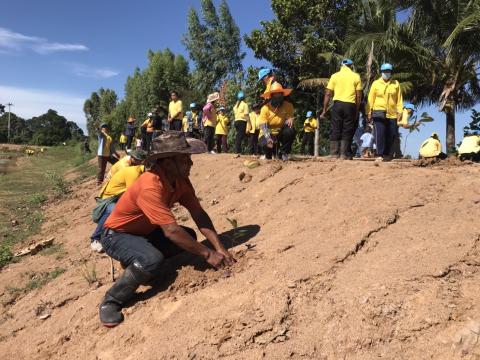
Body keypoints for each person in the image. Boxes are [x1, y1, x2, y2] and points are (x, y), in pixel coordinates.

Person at [98, 132, 236, 327]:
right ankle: (111, 300)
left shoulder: (181, 181)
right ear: (168, 163)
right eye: (184, 159)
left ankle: (137, 260)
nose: (191, 163)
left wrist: (219, 247)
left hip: (146, 232)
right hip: (116, 235)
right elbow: (170, 231)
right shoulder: (150, 185)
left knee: (188, 236)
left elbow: (199, 214)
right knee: (152, 260)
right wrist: (208, 254)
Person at [90, 163, 146, 252]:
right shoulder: (134, 173)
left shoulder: (141, 172)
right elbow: (133, 194)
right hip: (108, 199)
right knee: (114, 210)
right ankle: (95, 238)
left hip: (118, 197)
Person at [321, 59, 363, 159]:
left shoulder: (335, 76)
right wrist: (357, 110)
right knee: (347, 129)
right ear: (351, 66)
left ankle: (333, 154)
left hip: (338, 104)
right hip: (350, 105)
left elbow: (328, 93)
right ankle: (343, 154)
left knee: (335, 127)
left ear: (342, 66)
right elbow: (358, 96)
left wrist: (324, 109)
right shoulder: (356, 76)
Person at [366, 63, 404, 161]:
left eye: (388, 71)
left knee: (391, 134)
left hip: (392, 113)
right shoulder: (376, 83)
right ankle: (380, 154)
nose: (387, 73)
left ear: (391, 72)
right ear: (381, 72)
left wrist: (400, 112)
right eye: (385, 71)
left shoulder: (396, 84)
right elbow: (370, 98)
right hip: (378, 111)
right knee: (380, 133)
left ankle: (387, 154)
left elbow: (399, 99)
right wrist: (368, 112)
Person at [258, 83, 295, 161]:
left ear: (282, 95)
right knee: (268, 144)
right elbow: (264, 126)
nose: (277, 98)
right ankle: (268, 155)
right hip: (267, 134)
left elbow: (289, 120)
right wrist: (268, 138)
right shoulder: (265, 108)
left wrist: (290, 119)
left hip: (279, 134)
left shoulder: (288, 106)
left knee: (290, 130)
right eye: (275, 95)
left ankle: (284, 153)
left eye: (279, 95)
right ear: (271, 96)